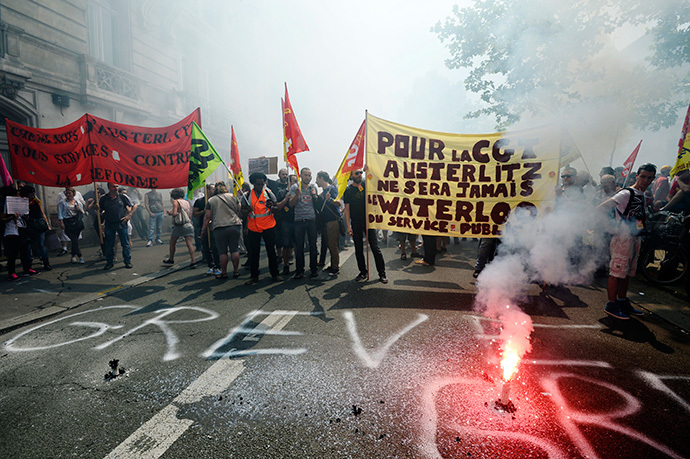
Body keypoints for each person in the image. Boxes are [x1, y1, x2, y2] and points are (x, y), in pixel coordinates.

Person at [596, 163, 656, 319]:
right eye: (642, 176)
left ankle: (622, 301)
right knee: (617, 272)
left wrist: (640, 231)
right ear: (637, 176)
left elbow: (637, 216)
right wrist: (612, 227)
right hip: (622, 238)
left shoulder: (642, 194)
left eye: (649, 178)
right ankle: (611, 304)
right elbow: (601, 208)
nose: (645, 180)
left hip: (635, 237)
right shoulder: (626, 193)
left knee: (627, 272)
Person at [343, 169, 388, 283]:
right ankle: (363, 272)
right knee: (358, 250)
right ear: (351, 175)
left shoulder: (366, 183)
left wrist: (369, 169)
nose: (359, 175)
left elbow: (378, 179)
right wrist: (348, 226)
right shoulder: (348, 191)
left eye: (360, 173)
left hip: (369, 221)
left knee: (375, 248)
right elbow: (347, 210)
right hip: (356, 223)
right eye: (357, 173)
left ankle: (382, 274)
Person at [242, 172, 284, 284]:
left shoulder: (269, 193)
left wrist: (272, 207)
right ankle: (254, 276)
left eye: (262, 184)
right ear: (253, 183)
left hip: (268, 226)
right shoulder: (247, 196)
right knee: (254, 253)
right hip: (253, 228)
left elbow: (276, 208)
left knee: (271, 251)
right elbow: (242, 211)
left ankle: (275, 274)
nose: (260, 186)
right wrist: (248, 210)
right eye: (258, 184)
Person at [202, 182, 243, 279]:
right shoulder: (233, 197)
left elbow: (207, 216)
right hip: (234, 225)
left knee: (222, 251)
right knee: (234, 249)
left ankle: (224, 272)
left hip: (219, 227)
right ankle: (236, 271)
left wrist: (203, 229)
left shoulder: (211, 200)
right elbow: (239, 209)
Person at [288, 167, 321, 279]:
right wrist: (296, 195)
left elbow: (317, 203)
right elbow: (291, 204)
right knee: (299, 247)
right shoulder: (295, 187)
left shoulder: (313, 187)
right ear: (300, 176)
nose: (308, 177)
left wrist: (315, 196)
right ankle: (299, 271)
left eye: (309, 175)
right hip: (299, 221)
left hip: (311, 220)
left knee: (313, 246)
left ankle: (313, 270)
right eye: (305, 175)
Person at [2, 186, 37, 280]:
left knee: (24, 250)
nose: (18, 195)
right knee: (12, 253)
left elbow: (23, 216)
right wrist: (12, 217)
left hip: (21, 229)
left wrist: (25, 216)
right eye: (15, 194)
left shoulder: (19, 203)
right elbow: (2, 219)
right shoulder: (5, 204)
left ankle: (27, 269)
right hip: (11, 230)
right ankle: (11, 272)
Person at [98, 182, 135, 270]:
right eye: (113, 186)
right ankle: (109, 262)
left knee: (125, 243)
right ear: (109, 187)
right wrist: (97, 208)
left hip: (121, 223)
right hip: (109, 223)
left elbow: (133, 206)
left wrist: (128, 216)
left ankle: (127, 261)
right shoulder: (103, 198)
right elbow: (101, 209)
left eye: (117, 186)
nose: (116, 188)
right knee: (110, 244)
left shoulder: (122, 197)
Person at [21, 185, 52, 270]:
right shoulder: (22, 203)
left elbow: (42, 213)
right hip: (29, 226)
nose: (33, 194)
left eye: (34, 192)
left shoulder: (36, 201)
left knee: (41, 244)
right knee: (29, 246)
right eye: (31, 193)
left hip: (39, 225)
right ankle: (28, 265)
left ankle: (46, 263)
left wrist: (47, 224)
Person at [163, 188, 197, 267]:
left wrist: (169, 212)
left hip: (179, 226)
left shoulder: (176, 202)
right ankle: (193, 261)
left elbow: (174, 213)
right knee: (189, 243)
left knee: (172, 242)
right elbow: (188, 214)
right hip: (188, 224)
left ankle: (171, 259)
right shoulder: (186, 202)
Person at [315, 171, 340, 276]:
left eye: (317, 179)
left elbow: (339, 202)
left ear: (321, 178)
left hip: (332, 221)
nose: (315, 181)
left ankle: (335, 267)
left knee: (332, 245)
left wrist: (330, 200)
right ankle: (333, 265)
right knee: (330, 244)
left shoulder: (332, 189)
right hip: (326, 221)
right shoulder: (325, 190)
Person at [194, 184, 220, 275]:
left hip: (215, 226)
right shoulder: (200, 201)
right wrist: (203, 211)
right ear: (207, 190)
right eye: (213, 189)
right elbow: (195, 213)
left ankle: (218, 266)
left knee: (215, 247)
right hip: (204, 227)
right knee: (206, 247)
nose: (214, 190)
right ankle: (211, 265)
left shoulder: (216, 200)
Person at [57, 187, 85, 264]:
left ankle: (73, 256)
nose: (68, 195)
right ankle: (80, 256)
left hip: (77, 223)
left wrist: (79, 209)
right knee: (74, 240)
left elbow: (82, 212)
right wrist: (62, 223)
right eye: (66, 193)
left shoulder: (77, 202)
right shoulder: (62, 202)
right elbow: (60, 214)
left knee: (75, 241)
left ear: (73, 193)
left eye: (69, 193)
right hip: (68, 223)